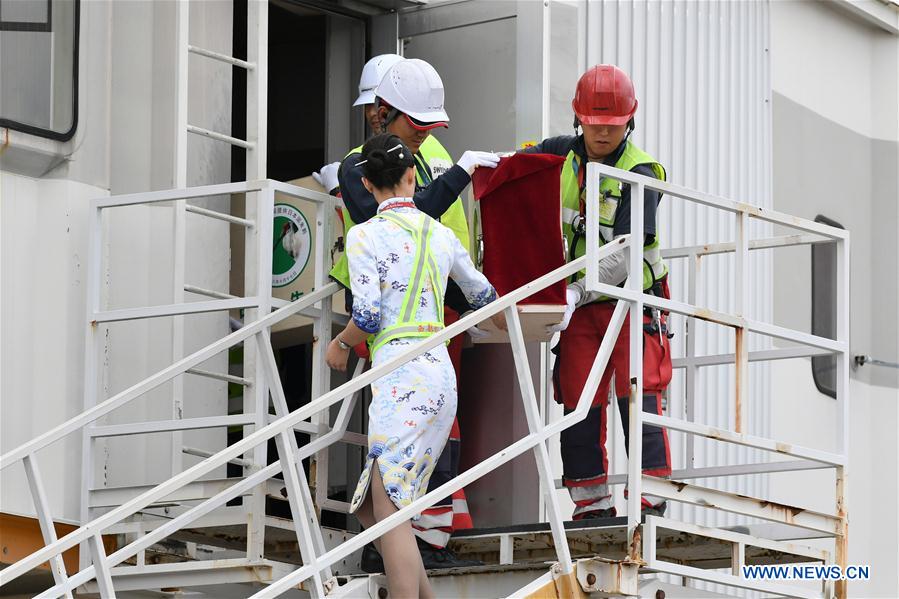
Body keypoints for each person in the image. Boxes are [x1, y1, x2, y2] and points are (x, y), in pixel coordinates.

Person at [331, 58, 498, 569]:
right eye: (416, 123)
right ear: (381, 112)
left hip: (436, 313)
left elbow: (441, 235)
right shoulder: (358, 167)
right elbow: (406, 221)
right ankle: (401, 545)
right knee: (400, 430)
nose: (424, 135)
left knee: (433, 426)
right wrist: (461, 173)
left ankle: (428, 537)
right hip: (390, 321)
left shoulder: (431, 156)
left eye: (430, 126)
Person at [523, 64, 673, 519]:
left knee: (638, 393)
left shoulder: (641, 172)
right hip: (581, 307)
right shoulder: (559, 155)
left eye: (612, 124)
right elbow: (519, 167)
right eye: (594, 123)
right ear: (578, 119)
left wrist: (573, 292)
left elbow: (627, 254)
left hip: (631, 302)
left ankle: (649, 500)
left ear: (630, 121)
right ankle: (590, 504)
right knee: (577, 399)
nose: (603, 132)